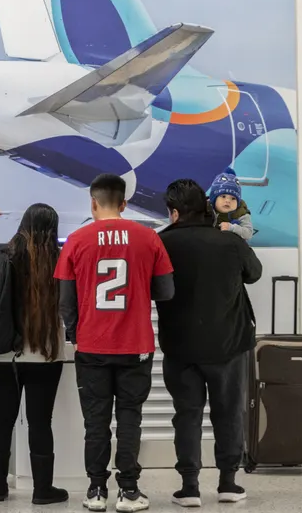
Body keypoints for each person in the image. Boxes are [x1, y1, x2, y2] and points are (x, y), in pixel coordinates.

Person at [57, 173, 174, 513]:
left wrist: (76, 332)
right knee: (129, 419)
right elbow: (166, 291)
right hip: (136, 345)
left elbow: (65, 300)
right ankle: (129, 492)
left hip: (92, 346)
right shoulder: (149, 238)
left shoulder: (77, 240)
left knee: (95, 422)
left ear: (93, 203)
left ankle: (95, 491)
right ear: (124, 204)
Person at [156, 179, 262, 507]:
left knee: (186, 415)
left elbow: (153, 287)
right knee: (228, 413)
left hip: (180, 347)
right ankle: (228, 483)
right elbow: (254, 273)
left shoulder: (162, 243)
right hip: (228, 345)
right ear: (206, 206)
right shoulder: (229, 241)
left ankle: (189, 488)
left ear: (174, 212)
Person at [0, 204, 68, 506]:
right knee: (40, 421)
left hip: (2, 352)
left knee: (2, 417)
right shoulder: (60, 259)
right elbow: (69, 305)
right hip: (45, 353)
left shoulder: (1, 251)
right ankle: (43, 490)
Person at [208, 168, 253, 242]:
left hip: (229, 246)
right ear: (214, 198)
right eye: (223, 196)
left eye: (233, 198)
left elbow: (248, 233)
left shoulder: (240, 213)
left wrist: (232, 228)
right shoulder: (204, 208)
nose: (228, 201)